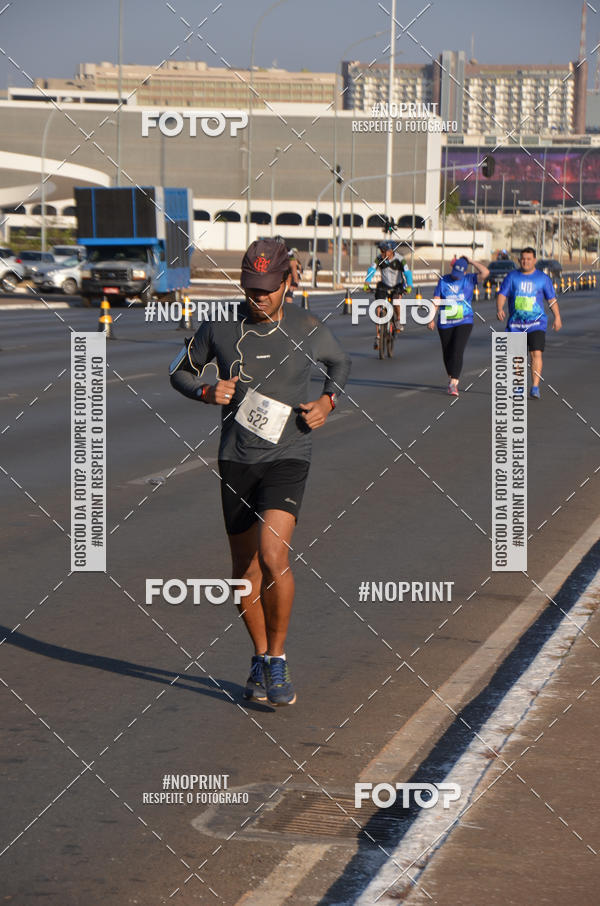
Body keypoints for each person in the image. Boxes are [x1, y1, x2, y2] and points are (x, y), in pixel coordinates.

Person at [169, 239, 351, 705]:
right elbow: (179, 372)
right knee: (243, 570)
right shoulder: (219, 328)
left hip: (288, 455)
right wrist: (206, 392)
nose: (259, 297)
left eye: (269, 288)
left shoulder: (307, 326)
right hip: (236, 458)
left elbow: (340, 362)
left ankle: (278, 659)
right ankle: (259, 654)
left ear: (288, 282)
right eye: (251, 288)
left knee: (273, 556)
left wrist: (327, 402)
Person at [496, 247, 562, 399]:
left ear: (534, 260)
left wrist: (557, 316)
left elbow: (551, 299)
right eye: (523, 259)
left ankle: (535, 387)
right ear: (519, 260)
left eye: (529, 258)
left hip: (536, 323)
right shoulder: (512, 277)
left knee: (536, 353)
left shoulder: (543, 279)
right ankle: (518, 386)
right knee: (517, 357)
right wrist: (499, 307)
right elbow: (502, 294)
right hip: (515, 324)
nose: (525, 261)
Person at [427, 255, 490, 396]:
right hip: (445, 322)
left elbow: (485, 273)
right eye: (455, 273)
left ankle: (453, 382)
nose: (456, 277)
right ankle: (452, 375)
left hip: (464, 320)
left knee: (457, 349)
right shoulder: (443, 280)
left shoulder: (469, 279)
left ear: (465, 272)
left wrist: (472, 261)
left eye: (459, 274)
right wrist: (430, 318)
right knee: (447, 352)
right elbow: (437, 299)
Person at [363, 241, 411, 348]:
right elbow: (372, 269)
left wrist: (409, 285)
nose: (381, 253)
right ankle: (378, 337)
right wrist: (367, 282)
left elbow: (407, 273)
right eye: (381, 251)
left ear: (390, 251)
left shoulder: (400, 259)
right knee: (378, 307)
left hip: (397, 285)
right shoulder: (379, 259)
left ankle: (397, 320)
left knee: (396, 302)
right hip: (384, 285)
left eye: (383, 251)